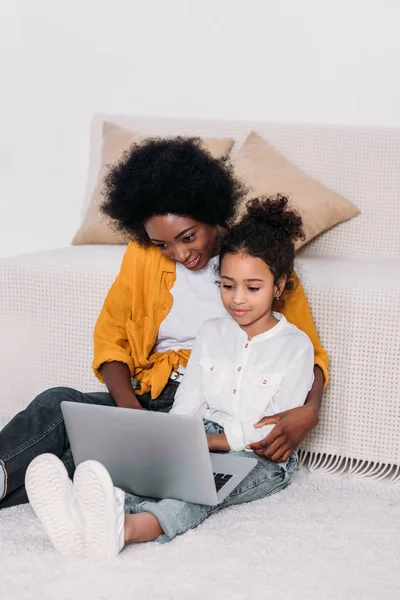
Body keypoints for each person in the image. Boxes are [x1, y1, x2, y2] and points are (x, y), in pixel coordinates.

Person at [0, 137, 328, 510]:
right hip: (146, 396)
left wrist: (309, 411)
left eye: (188, 236)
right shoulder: (141, 256)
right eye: (163, 245)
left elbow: (307, 352)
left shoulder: (257, 262)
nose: (180, 253)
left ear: (213, 214)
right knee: (56, 403)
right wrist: (131, 414)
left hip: (206, 409)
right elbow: (112, 338)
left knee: (87, 461)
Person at [25, 196, 316, 559]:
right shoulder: (210, 332)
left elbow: (272, 429)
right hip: (203, 434)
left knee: (200, 489)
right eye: (227, 286)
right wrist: (173, 441)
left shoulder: (296, 346)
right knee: (162, 473)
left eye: (252, 288)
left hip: (261, 455)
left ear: (278, 286)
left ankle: (129, 529)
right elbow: (189, 398)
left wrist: (206, 444)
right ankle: (88, 514)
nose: (238, 299)